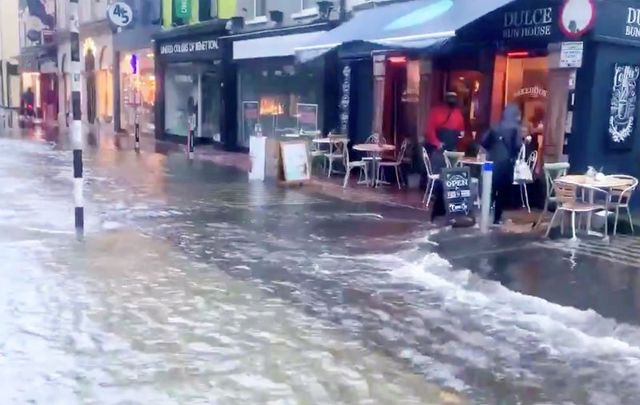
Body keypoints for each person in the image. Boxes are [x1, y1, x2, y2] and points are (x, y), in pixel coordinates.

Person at [425, 91, 465, 221]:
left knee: (451, 177)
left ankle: (446, 205)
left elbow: (461, 129)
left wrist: (461, 134)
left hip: (452, 149)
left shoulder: (457, 113)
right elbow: (430, 130)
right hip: (440, 150)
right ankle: (438, 203)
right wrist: (437, 143)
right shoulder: (436, 111)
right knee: (440, 177)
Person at [481, 104, 523, 225]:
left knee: (490, 188)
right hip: (506, 163)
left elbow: (484, 142)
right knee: (502, 191)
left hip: (491, 161)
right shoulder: (516, 128)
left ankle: (486, 213)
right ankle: (496, 218)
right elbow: (517, 146)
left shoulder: (494, 126)